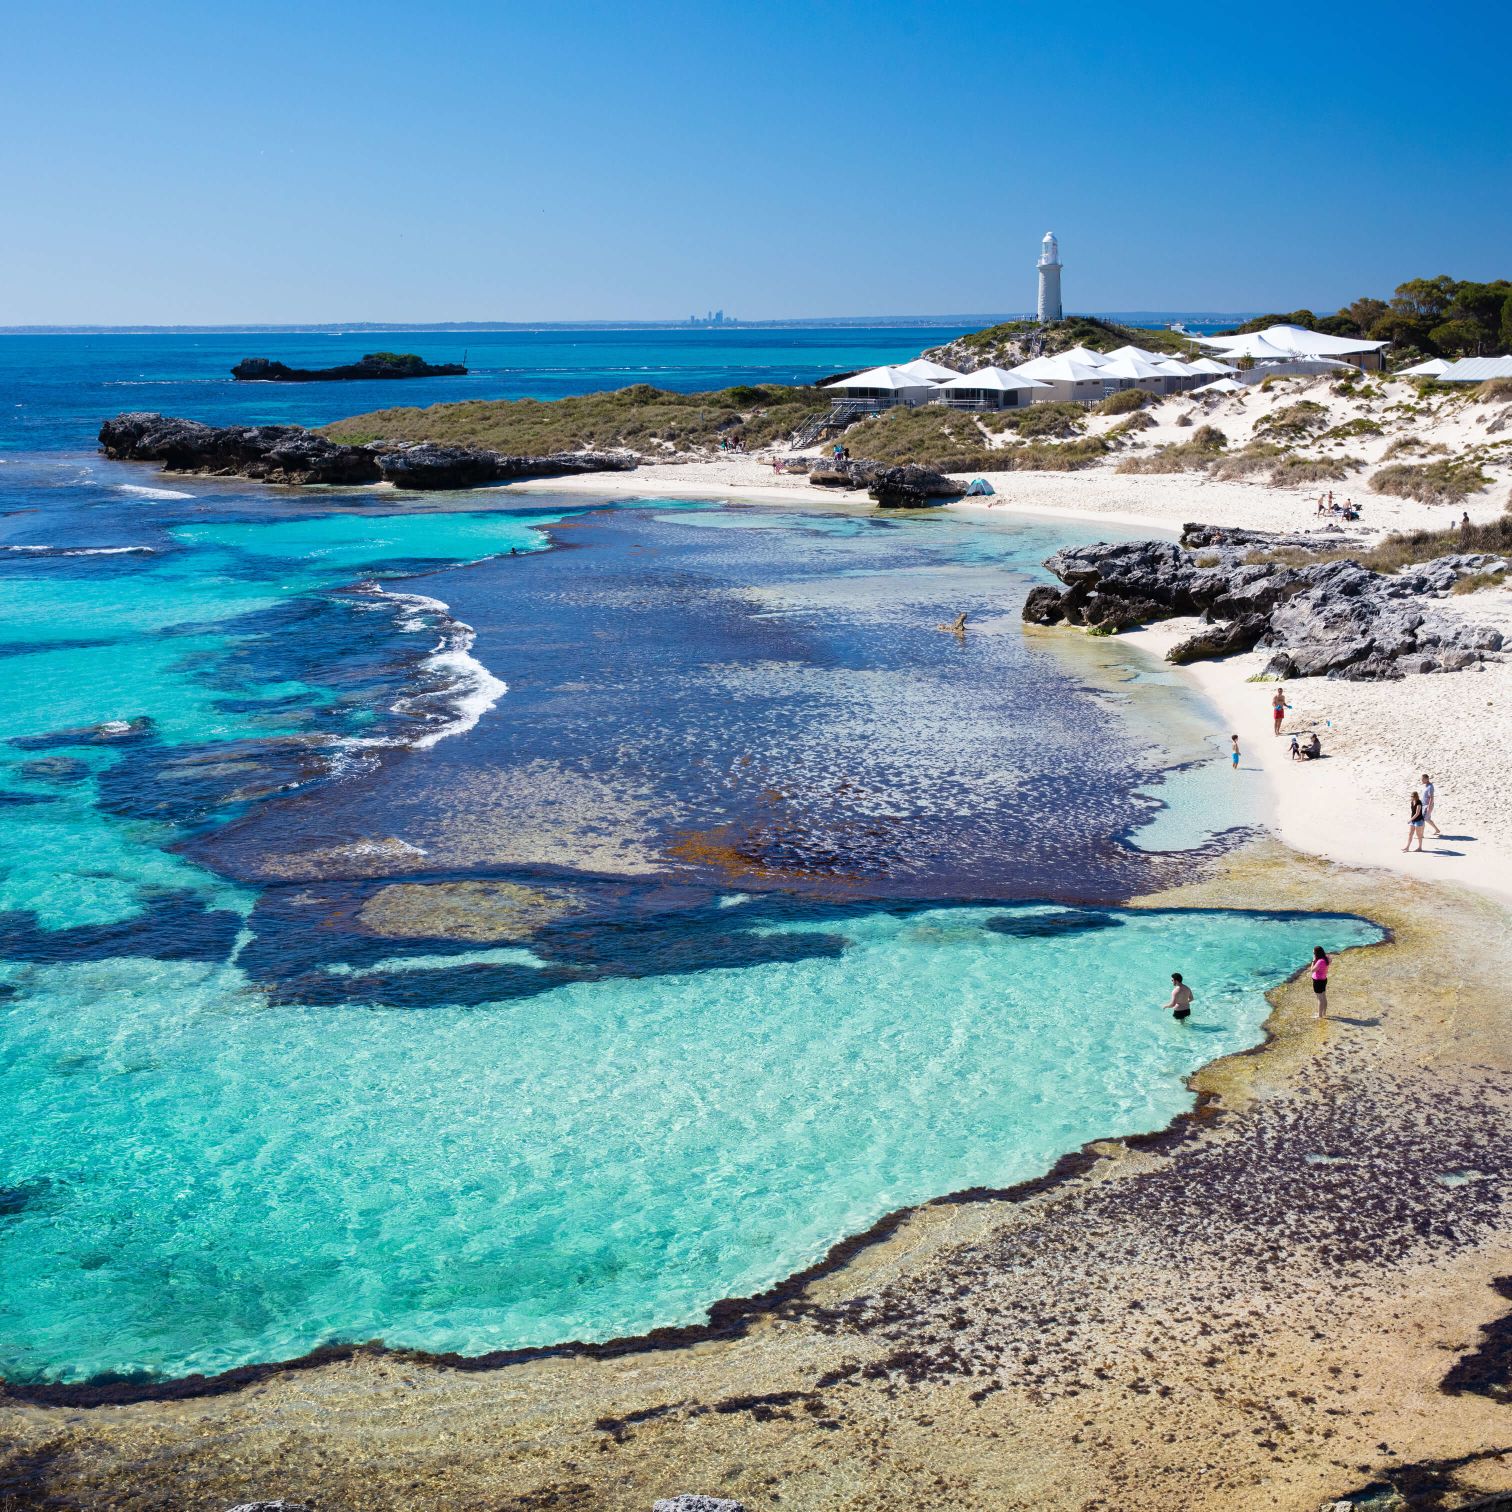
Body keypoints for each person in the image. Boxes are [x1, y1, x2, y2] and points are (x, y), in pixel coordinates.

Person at [1310, 946, 1330, 1019]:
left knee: (1319, 999)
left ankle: (1319, 1015)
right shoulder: (1326, 958)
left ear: (1316, 953)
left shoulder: (1320, 961)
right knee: (1324, 997)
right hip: (1324, 979)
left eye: (1314, 953)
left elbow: (1312, 970)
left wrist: (1313, 961)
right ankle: (1323, 1013)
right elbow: (1330, 960)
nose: (1313, 954)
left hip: (1318, 981)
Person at [1421, 773, 1442, 837]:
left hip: (1427, 805)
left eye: (1422, 779)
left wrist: (1429, 807)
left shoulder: (1430, 787)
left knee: (1422, 819)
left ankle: (1421, 835)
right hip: (1424, 805)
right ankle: (1437, 830)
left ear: (1427, 779)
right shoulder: (1426, 786)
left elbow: (1431, 797)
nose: (1421, 780)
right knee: (1427, 819)